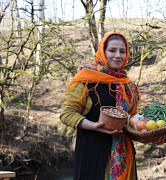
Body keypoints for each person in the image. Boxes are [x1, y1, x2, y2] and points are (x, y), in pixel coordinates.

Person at [60, 32, 141, 180]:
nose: (118, 55)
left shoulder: (129, 86)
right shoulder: (86, 79)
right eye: (112, 50)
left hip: (123, 154)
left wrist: (148, 131)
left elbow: (132, 119)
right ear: (103, 52)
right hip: (92, 152)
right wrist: (94, 125)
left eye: (122, 51)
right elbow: (67, 113)